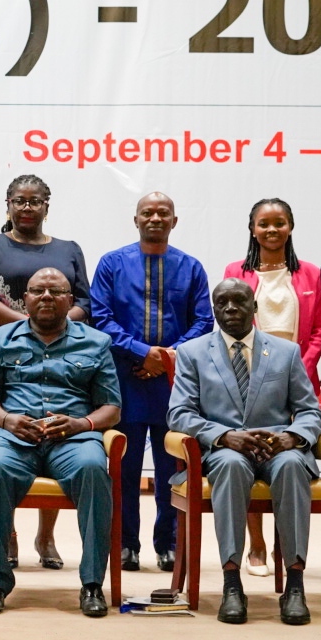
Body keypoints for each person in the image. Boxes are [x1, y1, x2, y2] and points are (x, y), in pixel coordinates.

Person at [167, 279, 321, 625]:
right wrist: (223, 435)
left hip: (277, 447)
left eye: (239, 302)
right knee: (231, 466)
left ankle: (295, 584)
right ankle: (232, 583)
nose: (230, 309)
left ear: (255, 307)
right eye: (221, 303)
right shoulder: (192, 352)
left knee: (293, 466)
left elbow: (311, 411)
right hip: (225, 451)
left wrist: (293, 437)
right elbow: (179, 413)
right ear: (213, 309)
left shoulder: (286, 352)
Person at [0, 268, 122, 618]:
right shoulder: (1, 339)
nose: (46, 297)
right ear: (24, 299)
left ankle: (91, 584)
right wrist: (8, 420)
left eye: (56, 291)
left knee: (93, 469)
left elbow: (111, 408)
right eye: (38, 291)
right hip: (13, 435)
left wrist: (81, 423)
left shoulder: (96, 342)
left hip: (72, 438)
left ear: (71, 300)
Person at [0, 173, 91, 571]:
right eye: (19, 201)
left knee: (51, 431)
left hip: (60, 350)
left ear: (46, 206)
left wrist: (53, 325)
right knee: (6, 446)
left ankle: (46, 534)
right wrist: (28, 325)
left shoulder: (69, 249)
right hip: (4, 354)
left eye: (34, 201)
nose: (26, 208)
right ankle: (7, 536)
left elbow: (85, 301)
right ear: (8, 204)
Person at [90, 192, 211, 574]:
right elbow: (101, 318)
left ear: (174, 221)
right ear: (136, 219)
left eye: (163, 213)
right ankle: (125, 544)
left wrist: (166, 358)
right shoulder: (111, 264)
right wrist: (144, 353)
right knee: (122, 467)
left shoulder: (191, 268)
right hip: (123, 379)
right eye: (148, 213)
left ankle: (169, 544)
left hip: (175, 384)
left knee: (171, 466)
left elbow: (204, 322)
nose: (155, 218)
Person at [223, 198, 321, 578]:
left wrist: (300, 366)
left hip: (296, 375)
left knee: (284, 459)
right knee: (249, 452)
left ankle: (290, 551)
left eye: (279, 223)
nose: (271, 230)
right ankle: (256, 545)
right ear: (252, 228)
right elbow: (229, 325)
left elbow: (319, 328)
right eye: (263, 223)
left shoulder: (311, 274)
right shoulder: (236, 271)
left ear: (290, 226)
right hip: (248, 376)